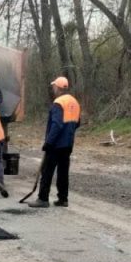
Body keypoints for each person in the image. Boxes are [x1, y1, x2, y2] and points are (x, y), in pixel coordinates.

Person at [30, 76, 81, 208]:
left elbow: (57, 124)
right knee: (63, 172)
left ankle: (43, 199)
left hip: (56, 145)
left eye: (54, 87)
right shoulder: (74, 102)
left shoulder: (58, 103)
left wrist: (49, 142)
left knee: (47, 171)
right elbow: (77, 122)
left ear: (58, 88)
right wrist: (68, 133)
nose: (53, 89)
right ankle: (63, 199)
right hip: (68, 144)